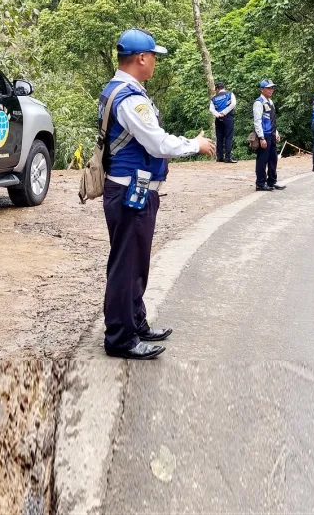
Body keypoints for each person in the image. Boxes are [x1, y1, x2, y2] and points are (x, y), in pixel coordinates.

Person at [99, 28, 216, 360]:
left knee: (135, 264)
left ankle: (135, 322)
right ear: (141, 58)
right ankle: (120, 338)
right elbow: (157, 142)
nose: (155, 64)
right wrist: (196, 144)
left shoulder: (116, 89)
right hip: (129, 193)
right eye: (154, 58)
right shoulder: (131, 98)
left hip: (128, 191)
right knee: (126, 266)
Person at [253, 79, 285, 192]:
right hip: (264, 135)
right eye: (268, 88)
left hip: (271, 134)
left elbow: (272, 119)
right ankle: (260, 183)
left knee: (273, 159)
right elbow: (257, 121)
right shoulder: (258, 103)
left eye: (272, 88)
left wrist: (276, 132)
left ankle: (272, 181)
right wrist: (261, 138)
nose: (271, 90)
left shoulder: (270, 102)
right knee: (262, 160)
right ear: (262, 90)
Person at [209, 81, 237, 163]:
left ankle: (219, 157)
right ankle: (228, 157)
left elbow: (211, 109)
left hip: (218, 119)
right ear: (223, 87)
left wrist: (218, 115)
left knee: (219, 138)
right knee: (228, 137)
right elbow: (233, 104)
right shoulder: (230, 94)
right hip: (228, 117)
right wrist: (224, 112)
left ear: (217, 89)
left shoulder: (213, 98)